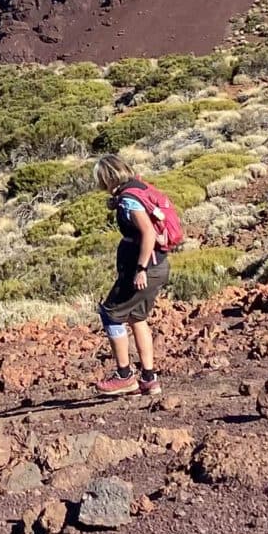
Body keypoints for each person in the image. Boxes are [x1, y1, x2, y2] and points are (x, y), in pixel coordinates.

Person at [92, 155, 175, 398]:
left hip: (144, 269)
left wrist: (140, 269)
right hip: (159, 265)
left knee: (111, 314)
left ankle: (124, 376)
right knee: (137, 317)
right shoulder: (139, 187)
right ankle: (149, 379)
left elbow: (148, 233)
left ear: (107, 177)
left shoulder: (129, 200)